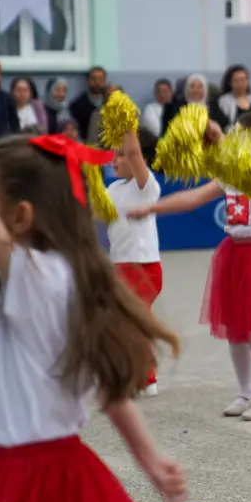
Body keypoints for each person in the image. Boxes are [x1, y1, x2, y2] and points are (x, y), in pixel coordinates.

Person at [0, 133, 186, 502]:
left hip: (27, 479)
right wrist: (151, 458)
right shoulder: (57, 278)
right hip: (61, 472)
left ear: (21, 216)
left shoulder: (35, 278)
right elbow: (109, 387)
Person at [129, 113, 251, 421]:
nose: (231, 138)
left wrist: (216, 135)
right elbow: (192, 198)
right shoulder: (231, 173)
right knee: (235, 330)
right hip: (234, 254)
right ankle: (245, 391)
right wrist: (153, 208)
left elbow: (243, 165)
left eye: (239, 134)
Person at [105, 124, 164, 397]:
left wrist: (127, 124)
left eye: (122, 154)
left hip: (143, 266)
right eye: (114, 154)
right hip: (120, 265)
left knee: (133, 322)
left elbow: (134, 151)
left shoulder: (147, 187)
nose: (115, 160)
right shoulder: (114, 188)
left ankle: (146, 378)